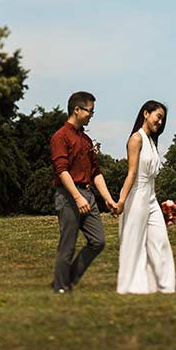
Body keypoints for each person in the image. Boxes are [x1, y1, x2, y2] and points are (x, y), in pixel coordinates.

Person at [49, 90, 119, 294]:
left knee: (98, 241)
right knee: (67, 246)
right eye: (90, 111)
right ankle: (61, 288)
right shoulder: (60, 137)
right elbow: (61, 171)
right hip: (69, 195)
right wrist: (77, 197)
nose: (91, 115)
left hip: (88, 195)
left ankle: (66, 279)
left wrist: (108, 199)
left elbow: (96, 172)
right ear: (77, 110)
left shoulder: (86, 140)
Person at [115, 99, 176, 294]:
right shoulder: (136, 139)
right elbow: (131, 173)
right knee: (133, 242)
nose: (160, 122)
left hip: (151, 197)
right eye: (158, 117)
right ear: (146, 114)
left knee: (160, 240)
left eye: (162, 120)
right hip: (136, 196)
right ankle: (130, 287)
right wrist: (121, 202)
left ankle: (165, 287)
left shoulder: (151, 141)